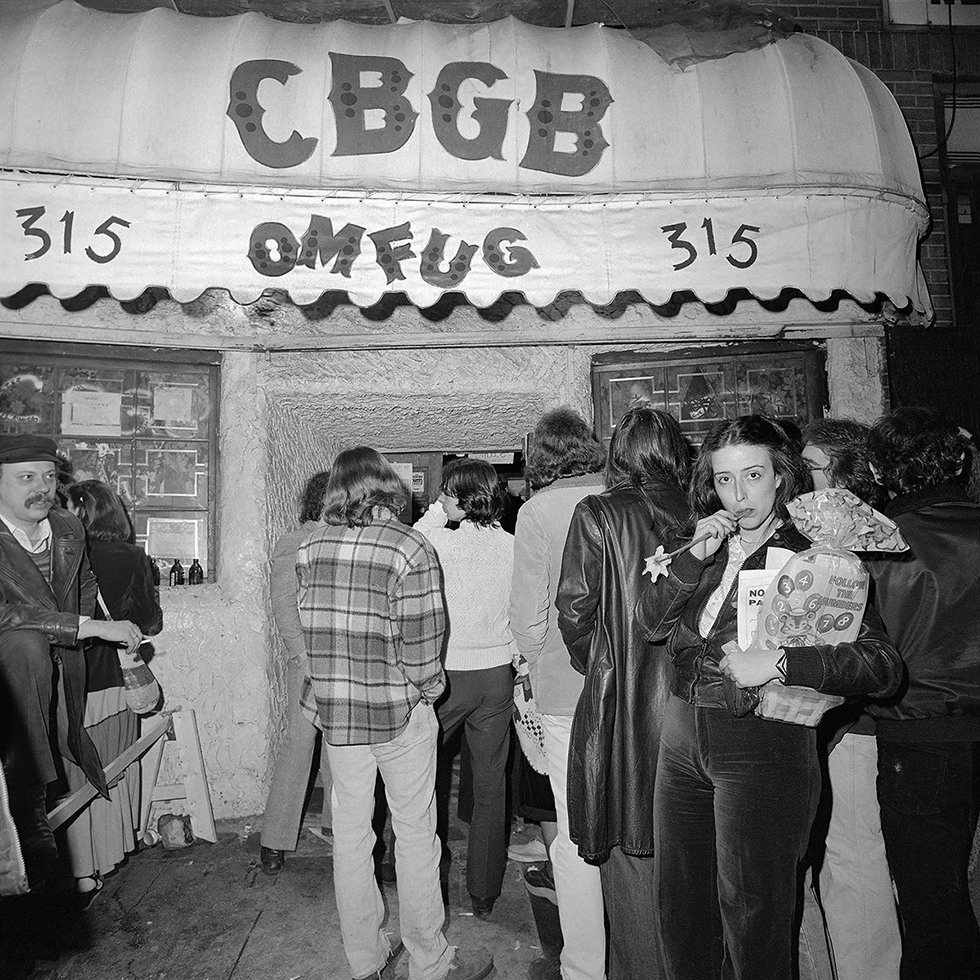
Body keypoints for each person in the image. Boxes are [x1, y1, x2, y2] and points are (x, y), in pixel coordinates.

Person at [635, 415, 904, 980]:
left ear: (781, 478)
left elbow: (880, 665)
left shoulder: (816, 549)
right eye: (725, 479)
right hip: (682, 732)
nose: (739, 494)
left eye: (753, 475)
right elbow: (650, 624)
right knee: (681, 910)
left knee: (754, 915)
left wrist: (782, 662)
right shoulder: (699, 538)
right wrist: (692, 558)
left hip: (762, 740)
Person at [297, 446, 492, 980]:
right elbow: (424, 651)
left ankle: (364, 958)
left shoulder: (311, 546)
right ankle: (428, 962)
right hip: (399, 715)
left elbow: (312, 630)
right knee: (414, 836)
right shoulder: (410, 547)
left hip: (338, 717)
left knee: (353, 837)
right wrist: (431, 691)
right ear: (387, 489)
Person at [556, 407, 691, 980]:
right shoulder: (706, 510)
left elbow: (573, 609)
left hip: (623, 703)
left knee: (629, 854)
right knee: (694, 857)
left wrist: (606, 663)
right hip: (694, 703)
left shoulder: (597, 513)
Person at [865, 407, 980, 980]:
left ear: (881, 471)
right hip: (933, 729)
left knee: (932, 903)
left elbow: (863, 656)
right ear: (958, 458)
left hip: (920, 737)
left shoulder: (878, 543)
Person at [0, 435, 142, 888]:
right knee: (24, 645)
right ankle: (27, 797)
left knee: (71, 739)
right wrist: (90, 627)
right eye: (26, 478)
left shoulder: (66, 525)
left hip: (57, 665)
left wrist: (81, 637)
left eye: (48, 476)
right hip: (10, 669)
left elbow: (83, 581)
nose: (42, 487)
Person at [800, 418, 901, 980]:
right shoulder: (831, 539)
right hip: (848, 721)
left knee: (854, 861)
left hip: (861, 724)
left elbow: (880, 649)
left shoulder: (875, 543)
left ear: (847, 475)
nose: (802, 481)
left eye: (812, 468)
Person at [509, 407, 606, 980]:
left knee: (573, 830)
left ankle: (584, 967)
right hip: (629, 685)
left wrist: (529, 659)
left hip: (565, 687)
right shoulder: (623, 497)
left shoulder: (538, 510)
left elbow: (528, 614)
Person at [414, 458, 517, 920]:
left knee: (421, 777)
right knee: (492, 784)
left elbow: (414, 536)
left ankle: (413, 871)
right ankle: (484, 891)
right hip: (497, 674)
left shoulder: (434, 542)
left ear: (455, 496)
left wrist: (441, 509)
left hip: (447, 676)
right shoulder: (514, 546)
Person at [61, 480, 164, 904]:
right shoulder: (131, 556)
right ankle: (109, 856)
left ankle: (80, 873)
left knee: (74, 775)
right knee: (114, 766)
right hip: (113, 680)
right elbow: (150, 620)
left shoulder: (59, 555)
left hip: (67, 681)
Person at [260, 470, 334, 876]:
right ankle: (274, 840)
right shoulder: (294, 541)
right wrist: (303, 658)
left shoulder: (342, 539)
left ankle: (336, 825)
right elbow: (285, 607)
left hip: (341, 662)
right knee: (299, 745)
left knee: (339, 748)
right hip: (307, 663)